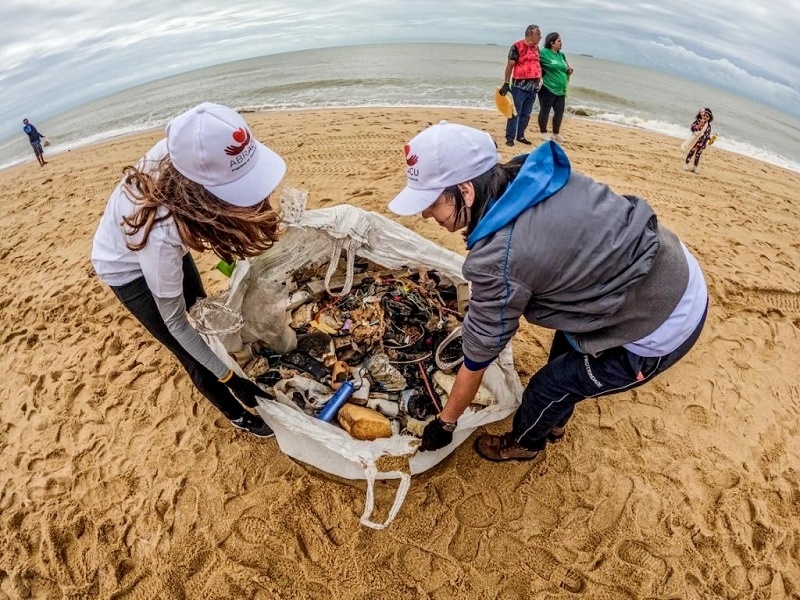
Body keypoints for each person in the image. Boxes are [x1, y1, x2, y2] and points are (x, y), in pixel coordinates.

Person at [388, 121, 708, 462]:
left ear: (466, 191)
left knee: (547, 387)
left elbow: (479, 355)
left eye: (432, 203)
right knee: (567, 346)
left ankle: (526, 443)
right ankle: (554, 421)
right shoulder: (532, 176)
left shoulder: (499, 257)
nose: (425, 213)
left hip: (664, 325)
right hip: (670, 264)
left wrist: (446, 422)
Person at [91, 102, 287, 438]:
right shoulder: (161, 236)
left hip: (166, 236)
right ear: (202, 196)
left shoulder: (188, 147)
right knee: (190, 348)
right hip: (127, 269)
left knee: (204, 315)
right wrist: (230, 377)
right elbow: (177, 322)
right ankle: (236, 413)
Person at [498, 25, 542, 147]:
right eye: (538, 34)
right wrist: (506, 83)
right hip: (520, 87)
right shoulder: (517, 47)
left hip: (533, 87)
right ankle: (510, 137)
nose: (540, 37)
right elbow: (509, 66)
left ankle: (520, 135)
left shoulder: (537, 49)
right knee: (514, 113)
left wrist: (540, 80)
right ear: (529, 34)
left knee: (526, 114)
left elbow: (538, 65)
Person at [537, 32, 573, 143]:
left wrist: (568, 70)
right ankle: (543, 132)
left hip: (561, 89)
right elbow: (535, 64)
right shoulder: (543, 52)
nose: (561, 43)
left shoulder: (561, 55)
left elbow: (565, 67)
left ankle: (556, 133)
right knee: (545, 110)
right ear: (552, 43)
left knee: (559, 111)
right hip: (548, 87)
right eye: (559, 41)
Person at [682, 108, 714, 174]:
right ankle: (686, 164)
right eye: (704, 115)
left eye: (707, 116)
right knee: (691, 152)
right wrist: (699, 125)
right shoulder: (698, 121)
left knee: (698, 155)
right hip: (695, 141)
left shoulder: (708, 126)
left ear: (709, 118)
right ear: (702, 115)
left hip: (702, 143)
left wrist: (710, 139)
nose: (705, 117)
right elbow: (692, 128)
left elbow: (707, 134)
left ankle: (695, 167)